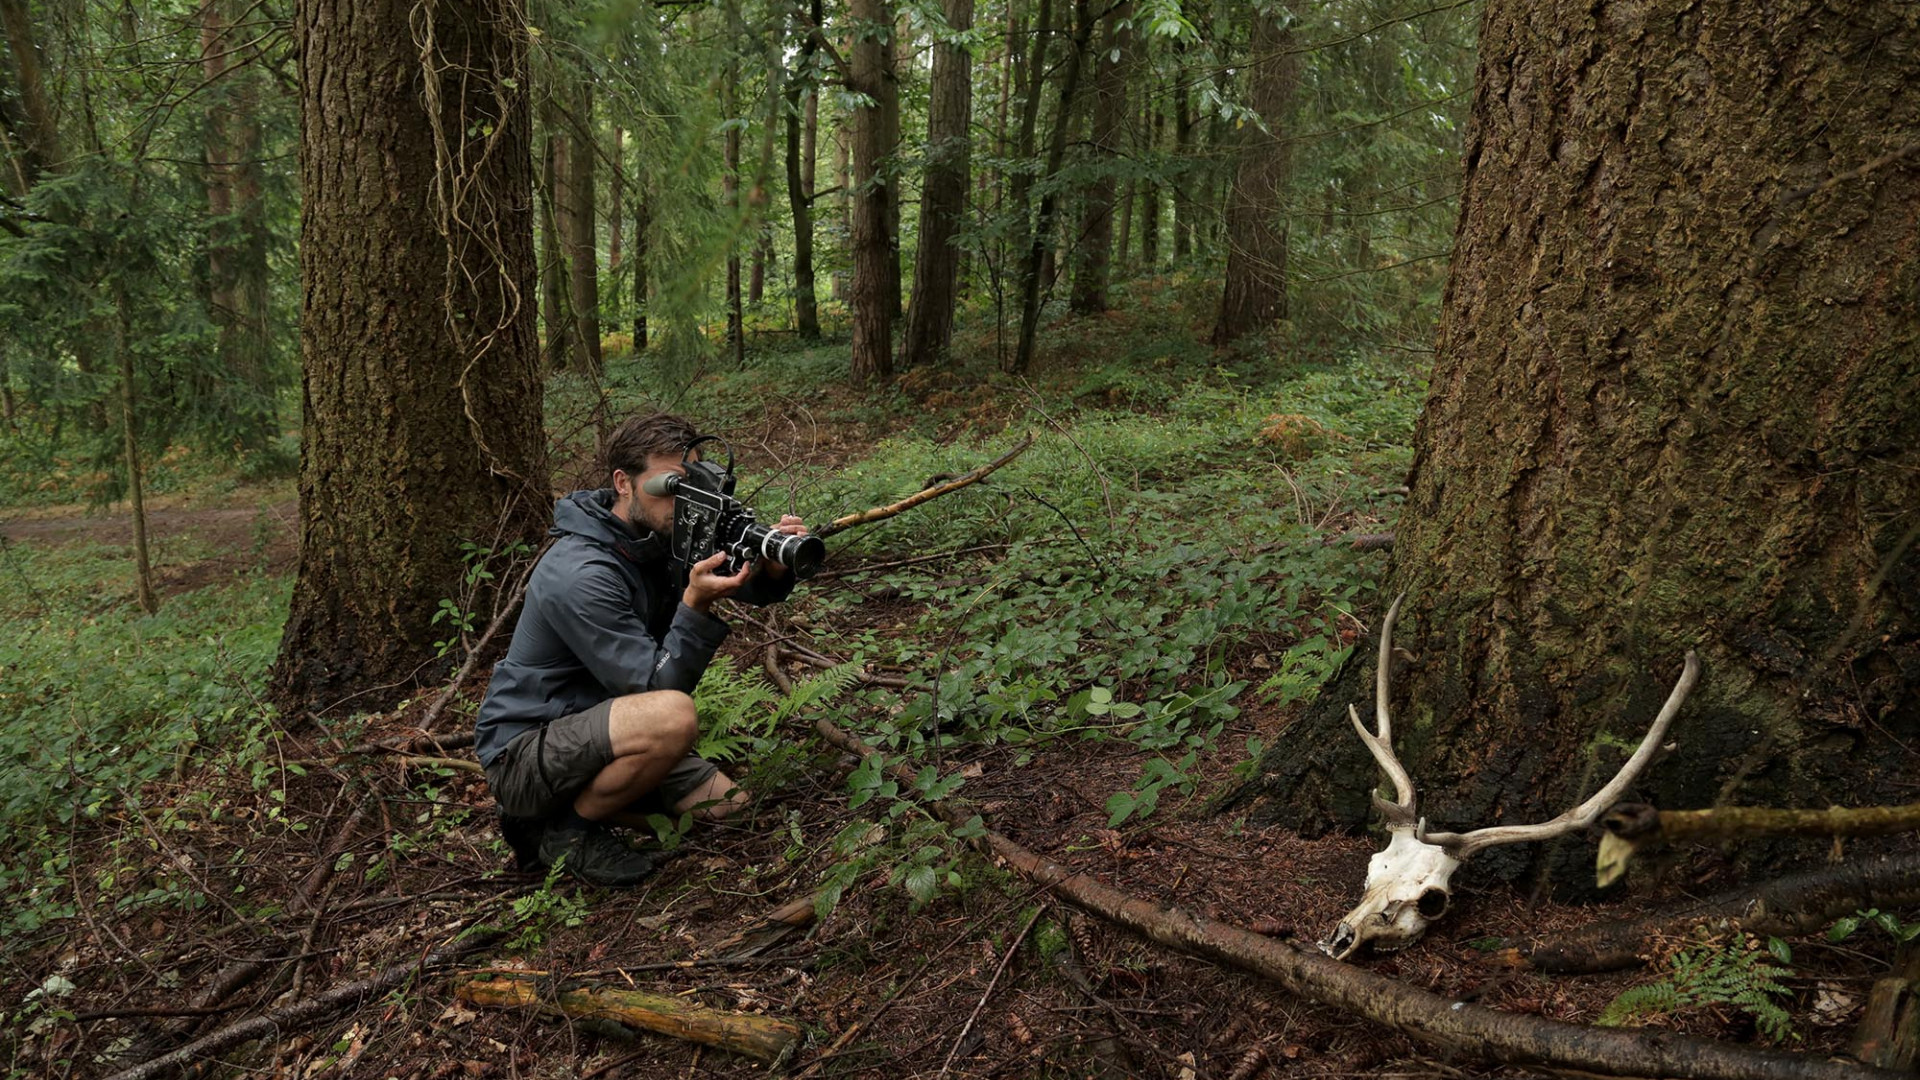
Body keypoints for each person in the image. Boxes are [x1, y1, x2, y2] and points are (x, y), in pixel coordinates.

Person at [473, 413, 808, 886]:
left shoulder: (656, 533)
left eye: (691, 485)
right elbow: (656, 688)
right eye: (669, 486)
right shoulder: (580, 572)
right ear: (623, 483)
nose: (682, 501)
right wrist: (694, 604)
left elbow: (739, 583)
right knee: (673, 716)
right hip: (525, 751)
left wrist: (771, 566)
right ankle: (564, 831)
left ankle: (571, 811)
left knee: (731, 810)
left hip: (608, 729)